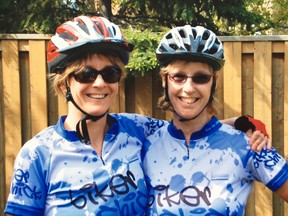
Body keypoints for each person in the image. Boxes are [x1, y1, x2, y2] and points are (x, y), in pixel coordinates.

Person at [4, 16, 269, 216]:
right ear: (63, 84)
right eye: (86, 74)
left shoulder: (137, 129)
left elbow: (189, 128)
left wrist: (243, 124)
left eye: (110, 73)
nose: (99, 83)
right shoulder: (38, 153)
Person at [142, 25, 288, 215]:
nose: (188, 88)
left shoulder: (247, 144)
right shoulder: (146, 145)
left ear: (214, 82)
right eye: (178, 77)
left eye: (200, 78)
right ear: (164, 80)